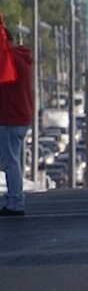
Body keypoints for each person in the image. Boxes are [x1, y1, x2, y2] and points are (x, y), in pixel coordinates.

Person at [0, 26, 33, 217]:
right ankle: (13, 198)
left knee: (10, 162)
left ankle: (15, 201)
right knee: (10, 160)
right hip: (19, 118)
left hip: (10, 119)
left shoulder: (8, 61)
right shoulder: (20, 59)